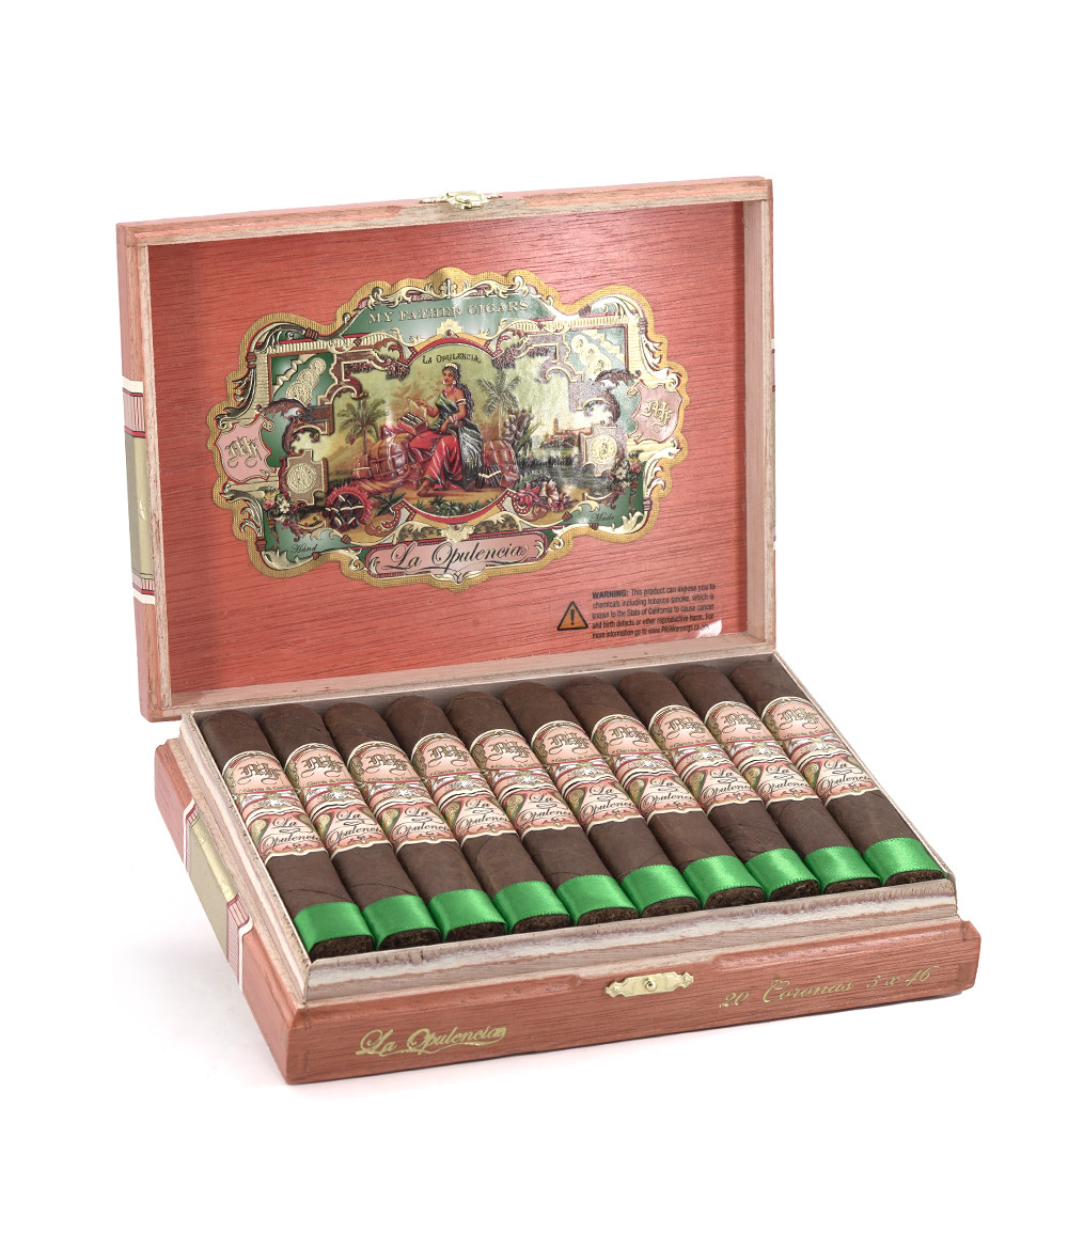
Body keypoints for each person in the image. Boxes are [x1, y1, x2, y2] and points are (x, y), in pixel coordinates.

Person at [408, 365, 483, 495]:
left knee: (443, 444)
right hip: (439, 428)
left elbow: (462, 413)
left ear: (454, 378)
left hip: (455, 429)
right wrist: (426, 405)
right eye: (445, 374)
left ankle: (427, 483)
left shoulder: (458, 392)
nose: (446, 377)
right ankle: (431, 473)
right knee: (414, 443)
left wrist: (448, 421)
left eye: (450, 375)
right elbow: (434, 413)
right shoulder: (442, 393)